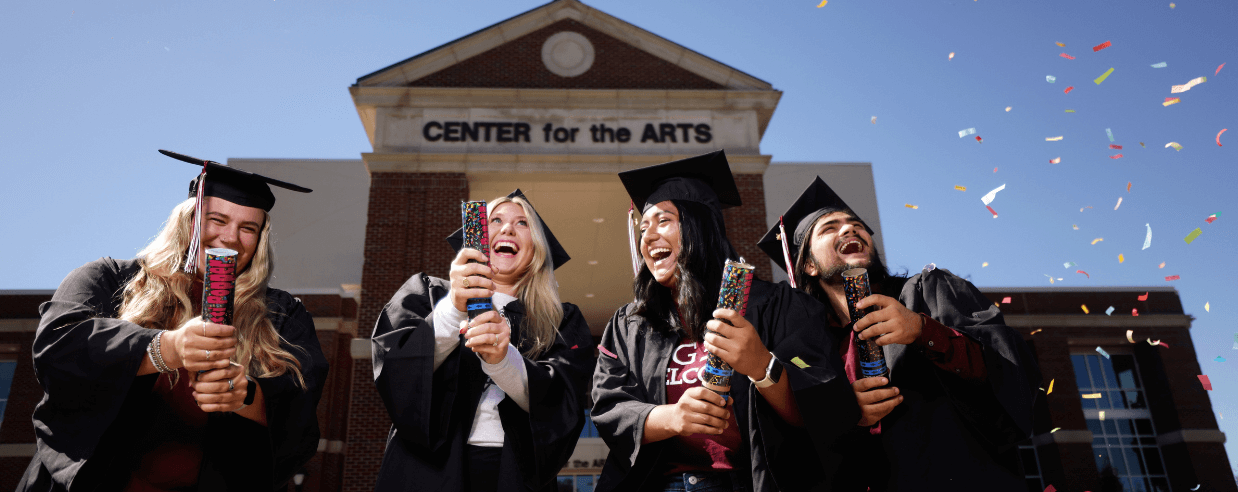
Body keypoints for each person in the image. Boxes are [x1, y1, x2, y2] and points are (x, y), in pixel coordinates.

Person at [17, 150, 329, 492]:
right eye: (217, 220)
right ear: (188, 220)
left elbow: (301, 416)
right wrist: (164, 349)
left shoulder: (282, 316)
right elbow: (58, 349)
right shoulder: (107, 279)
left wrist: (245, 395)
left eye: (248, 228)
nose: (229, 238)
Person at [756, 176, 1040, 491]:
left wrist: (924, 330)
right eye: (829, 228)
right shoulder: (812, 350)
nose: (850, 229)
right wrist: (846, 416)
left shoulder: (927, 291)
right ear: (808, 265)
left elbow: (1009, 368)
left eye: (856, 224)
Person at [591, 151, 853, 492]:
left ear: (701, 225)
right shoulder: (630, 325)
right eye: (644, 227)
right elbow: (609, 405)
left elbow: (823, 407)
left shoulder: (779, 306)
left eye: (664, 220)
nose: (649, 235)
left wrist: (762, 366)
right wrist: (671, 418)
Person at [371, 189, 596, 492]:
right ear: (476, 237)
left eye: (522, 223)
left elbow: (563, 402)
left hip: (514, 473)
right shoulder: (428, 294)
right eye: (496, 220)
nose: (507, 228)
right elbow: (394, 369)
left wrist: (504, 361)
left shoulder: (559, 320)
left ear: (537, 250)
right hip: (426, 469)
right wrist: (452, 309)